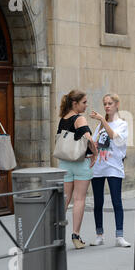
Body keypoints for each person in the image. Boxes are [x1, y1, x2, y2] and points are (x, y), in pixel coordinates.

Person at [57, 90, 98, 249]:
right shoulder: (79, 119)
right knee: (79, 199)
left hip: (65, 163)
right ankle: (76, 235)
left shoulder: (63, 119)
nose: (86, 105)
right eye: (84, 102)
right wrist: (95, 153)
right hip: (80, 162)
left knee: (65, 199)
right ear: (75, 104)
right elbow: (88, 139)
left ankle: (56, 233)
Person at [90, 94, 131, 248]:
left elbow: (115, 137)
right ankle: (99, 234)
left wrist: (102, 120)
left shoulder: (122, 124)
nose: (107, 106)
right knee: (98, 202)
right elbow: (94, 144)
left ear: (117, 104)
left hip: (114, 167)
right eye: (105, 103)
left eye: (110, 103)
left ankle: (119, 236)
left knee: (116, 201)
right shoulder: (99, 126)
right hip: (98, 167)